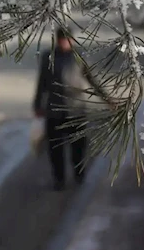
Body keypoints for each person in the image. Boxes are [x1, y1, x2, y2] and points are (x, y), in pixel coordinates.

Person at [33, 27, 110, 191]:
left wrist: (107, 98)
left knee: (79, 146)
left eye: (66, 40)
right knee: (55, 148)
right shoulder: (49, 57)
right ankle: (59, 179)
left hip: (76, 108)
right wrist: (37, 104)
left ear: (72, 40)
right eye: (61, 40)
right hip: (54, 108)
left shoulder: (79, 57)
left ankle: (79, 174)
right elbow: (42, 82)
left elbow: (92, 80)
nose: (64, 43)